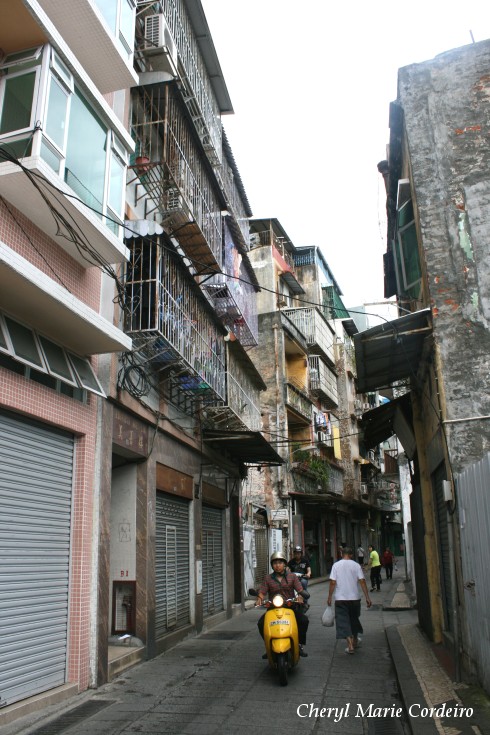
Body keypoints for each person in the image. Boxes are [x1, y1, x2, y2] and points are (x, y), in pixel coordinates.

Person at [256, 551, 309, 657]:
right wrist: (259, 598)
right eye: (275, 563)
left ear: (285, 564)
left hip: (289, 606)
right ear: (272, 565)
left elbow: (300, 590)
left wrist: (300, 596)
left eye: (280, 563)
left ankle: (299, 645)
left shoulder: (292, 577)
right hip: (272, 608)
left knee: (303, 620)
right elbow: (262, 591)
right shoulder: (268, 578)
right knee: (261, 624)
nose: (278, 565)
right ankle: (269, 646)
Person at [327, 547, 372, 654]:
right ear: (351, 555)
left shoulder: (336, 565)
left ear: (342, 553)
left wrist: (329, 597)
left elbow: (333, 582)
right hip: (354, 599)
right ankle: (355, 640)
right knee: (353, 620)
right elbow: (362, 581)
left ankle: (350, 645)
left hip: (340, 599)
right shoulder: (356, 565)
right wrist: (367, 597)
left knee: (343, 621)